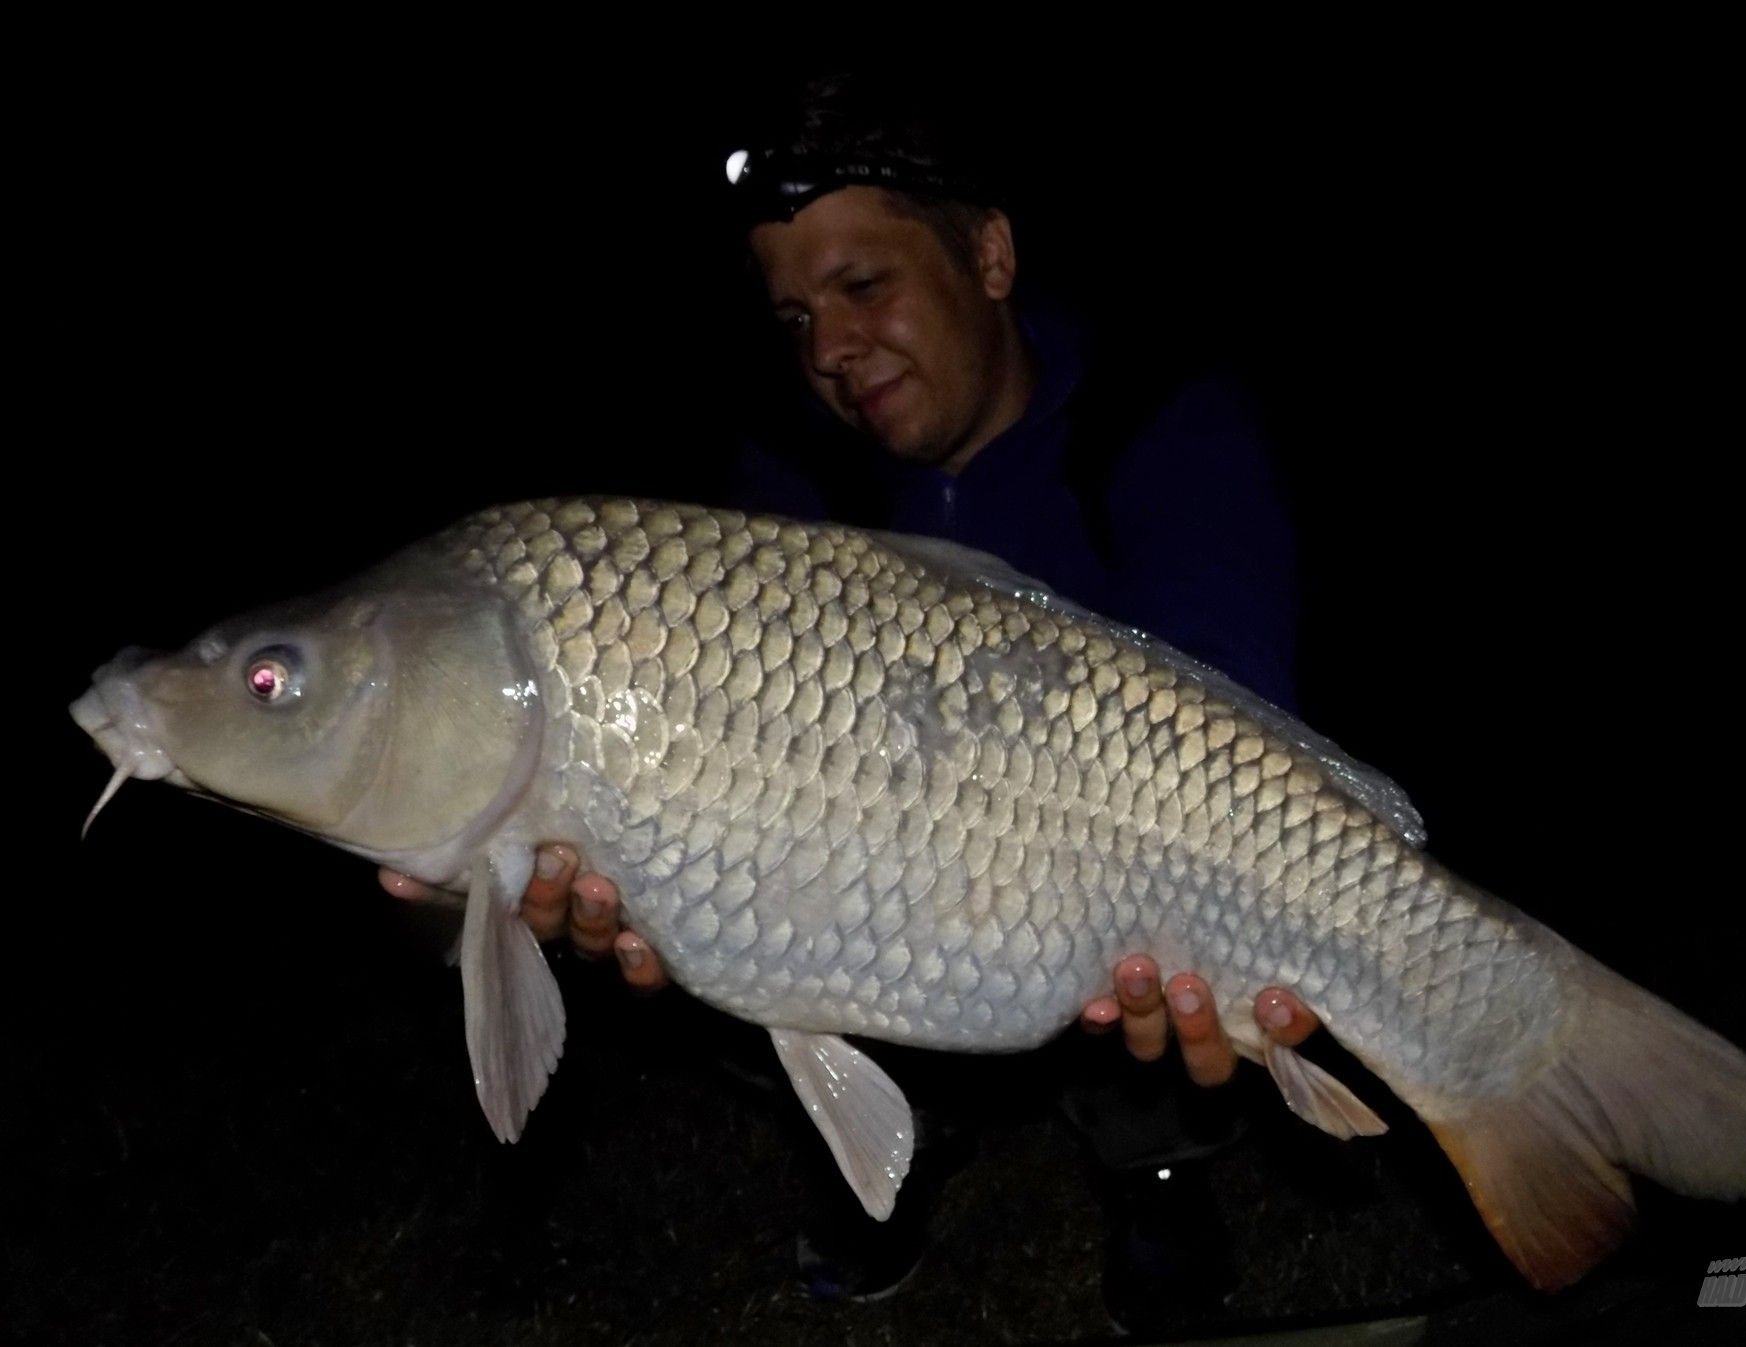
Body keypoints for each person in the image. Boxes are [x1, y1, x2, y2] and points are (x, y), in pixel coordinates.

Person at [380, 74, 1321, 1325]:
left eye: (863, 286)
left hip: (1110, 889)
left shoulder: (1158, 426)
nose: (826, 349)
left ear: (988, 254)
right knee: (701, 915)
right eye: (794, 316)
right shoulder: (792, 472)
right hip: (882, 893)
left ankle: (1153, 1175)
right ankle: (880, 1148)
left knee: (1159, 970)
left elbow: (1251, 752)